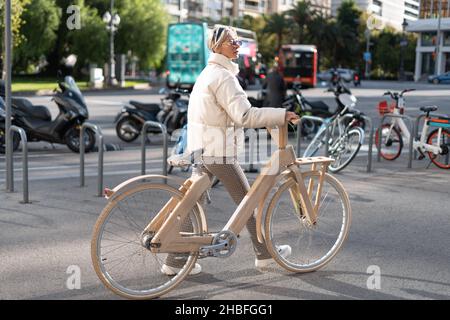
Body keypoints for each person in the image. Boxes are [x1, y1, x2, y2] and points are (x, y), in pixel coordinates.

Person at [161, 25, 299, 276]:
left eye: (238, 41)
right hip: (217, 152)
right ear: (218, 46)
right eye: (231, 41)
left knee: (195, 203)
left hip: (202, 147)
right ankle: (266, 254)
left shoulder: (209, 72)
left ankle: (174, 261)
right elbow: (244, 115)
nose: (237, 44)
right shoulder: (223, 77)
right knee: (248, 201)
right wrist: (281, 115)